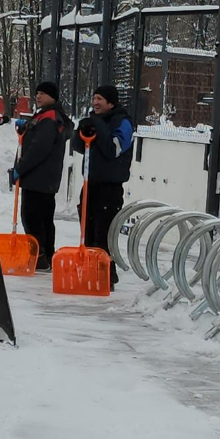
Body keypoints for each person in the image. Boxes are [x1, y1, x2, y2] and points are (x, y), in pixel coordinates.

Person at [71, 84, 134, 290]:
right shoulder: (96, 120)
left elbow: (112, 149)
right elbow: (79, 146)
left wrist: (98, 125)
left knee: (104, 233)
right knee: (87, 231)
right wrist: (82, 129)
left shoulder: (123, 122)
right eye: (94, 98)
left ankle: (106, 275)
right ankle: (91, 272)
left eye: (100, 99)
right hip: (90, 184)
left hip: (110, 188)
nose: (95, 102)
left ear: (111, 102)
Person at [13, 81, 71, 271]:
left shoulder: (50, 117)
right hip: (44, 178)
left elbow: (39, 148)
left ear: (52, 97)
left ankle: (39, 257)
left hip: (38, 177)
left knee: (32, 218)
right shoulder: (47, 115)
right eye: (37, 93)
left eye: (43, 94)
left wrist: (20, 168)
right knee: (44, 219)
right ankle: (46, 255)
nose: (38, 96)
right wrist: (27, 128)